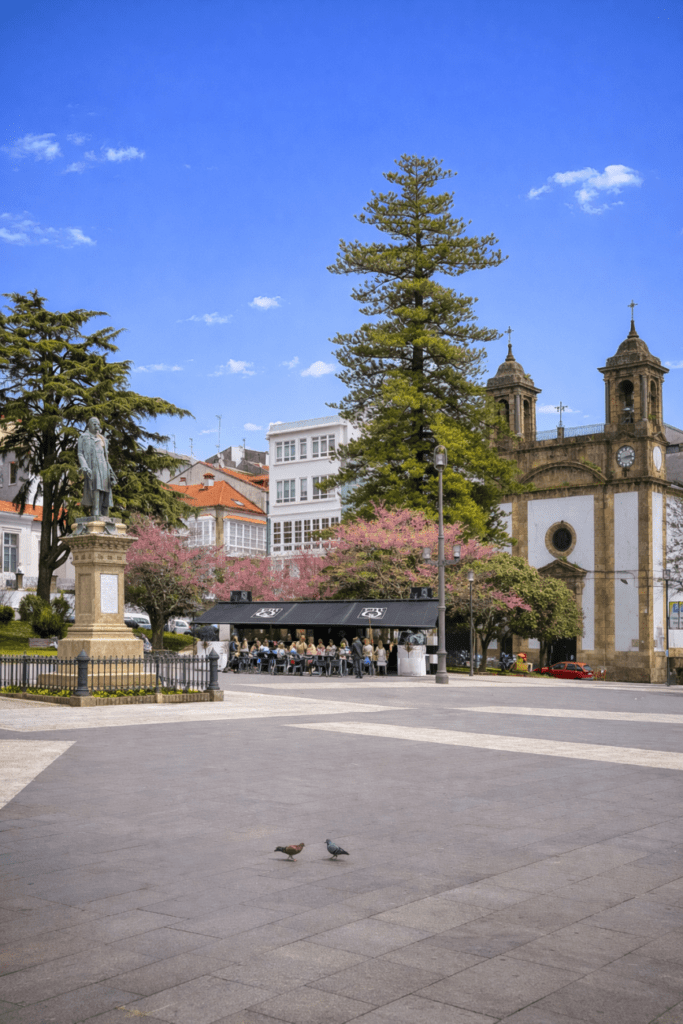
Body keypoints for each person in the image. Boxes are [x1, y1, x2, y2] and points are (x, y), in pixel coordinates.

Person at [78, 417, 117, 517]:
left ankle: (104, 517)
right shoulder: (83, 437)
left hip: (104, 468)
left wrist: (111, 473)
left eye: (98, 424)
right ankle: (95, 515)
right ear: (89, 425)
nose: (97, 426)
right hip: (93, 467)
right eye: (94, 424)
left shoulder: (103, 439)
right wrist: (84, 466)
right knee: (96, 490)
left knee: (105, 494)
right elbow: (80, 454)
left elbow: (106, 458)